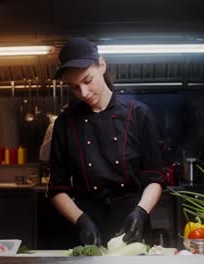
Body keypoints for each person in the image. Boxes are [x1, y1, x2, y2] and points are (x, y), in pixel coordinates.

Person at [47, 37, 167, 246]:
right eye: (74, 87)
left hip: (132, 222)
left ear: (101, 66)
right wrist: (81, 220)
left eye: (87, 80)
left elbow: (154, 178)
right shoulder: (65, 123)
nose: (83, 93)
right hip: (87, 223)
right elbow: (58, 189)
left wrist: (141, 212)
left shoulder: (138, 114)